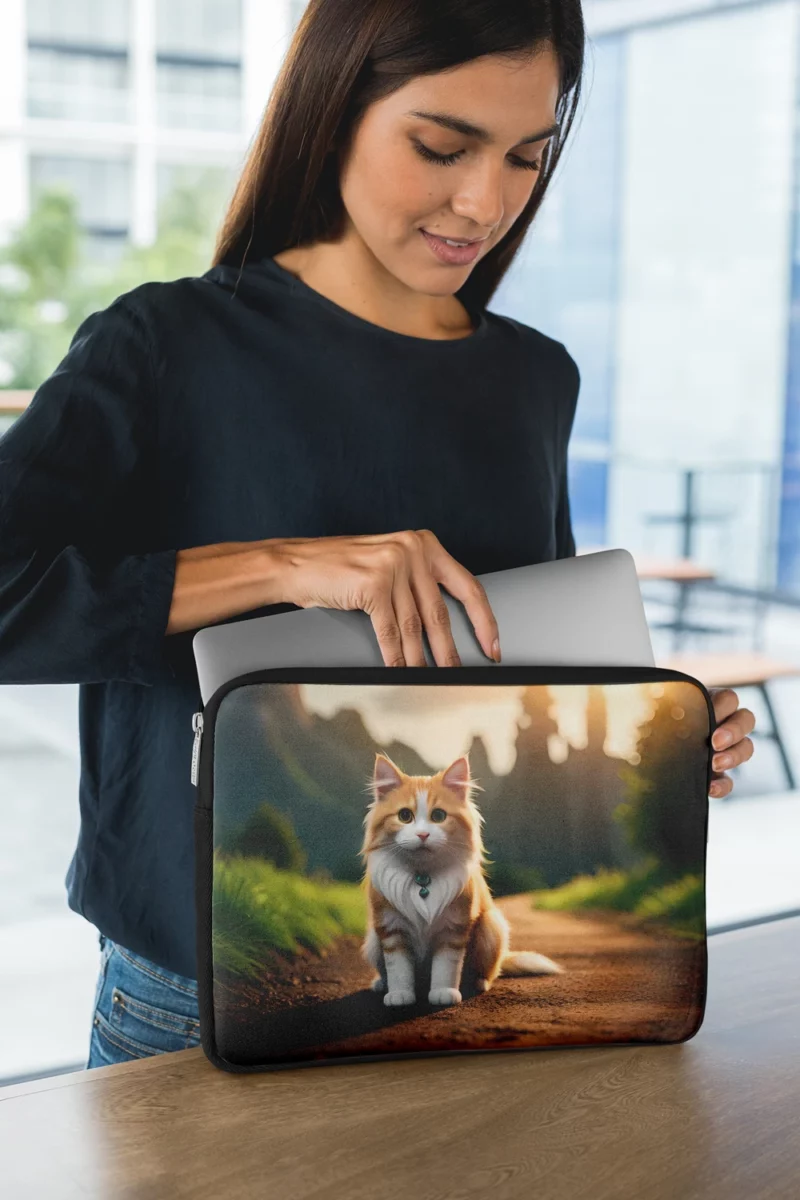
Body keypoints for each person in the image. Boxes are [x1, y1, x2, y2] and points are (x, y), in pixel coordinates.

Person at [0, 0, 755, 1070]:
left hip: (465, 994)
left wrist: (667, 734)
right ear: (333, 108)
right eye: (440, 146)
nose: (482, 201)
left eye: (525, 158)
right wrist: (289, 566)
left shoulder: (536, 378)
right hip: (190, 1001)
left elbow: (518, 665)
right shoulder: (163, 345)